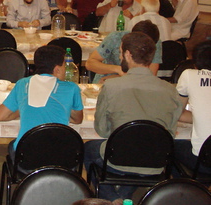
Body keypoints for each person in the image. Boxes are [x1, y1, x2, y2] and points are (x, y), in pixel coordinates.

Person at [84, 32, 183, 201]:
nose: (119, 56)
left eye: (121, 52)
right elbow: (171, 132)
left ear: (128, 55)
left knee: (89, 148)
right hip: (157, 161)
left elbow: (102, 130)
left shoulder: (111, 86)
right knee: (136, 155)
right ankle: (123, 198)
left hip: (118, 159)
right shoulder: (170, 90)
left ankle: (112, 200)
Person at [0, 45, 83, 156]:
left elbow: (0, 116)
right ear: (57, 69)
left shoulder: (22, 84)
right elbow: (77, 119)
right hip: (60, 155)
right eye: (65, 65)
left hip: (26, 154)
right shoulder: (72, 88)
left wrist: (22, 109)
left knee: (14, 145)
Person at [175, 40, 211, 175]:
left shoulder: (189, 75)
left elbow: (177, 112)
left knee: (170, 146)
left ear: (195, 63)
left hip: (204, 160)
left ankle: (186, 185)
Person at [86, 20, 163, 84]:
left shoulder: (154, 43)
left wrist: (117, 77)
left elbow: (150, 76)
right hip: (104, 82)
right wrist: (117, 69)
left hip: (136, 84)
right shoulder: (115, 38)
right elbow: (90, 63)